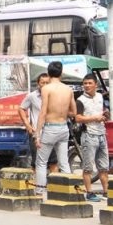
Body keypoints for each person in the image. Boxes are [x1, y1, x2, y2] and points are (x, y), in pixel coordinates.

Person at [34, 61, 76, 195]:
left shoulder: (47, 89)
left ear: (49, 72)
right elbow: (74, 112)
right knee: (64, 163)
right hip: (63, 128)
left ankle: (40, 191)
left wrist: (37, 133)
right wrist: (62, 113)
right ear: (61, 73)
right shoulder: (68, 89)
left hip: (50, 128)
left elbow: (43, 112)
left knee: (41, 162)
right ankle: (69, 192)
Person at [75, 74, 110, 202]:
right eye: (85, 83)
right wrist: (95, 118)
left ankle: (106, 192)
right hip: (89, 135)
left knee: (104, 167)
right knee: (88, 167)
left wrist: (106, 115)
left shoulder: (100, 97)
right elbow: (78, 118)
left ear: (96, 84)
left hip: (102, 134)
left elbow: (103, 111)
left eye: (90, 83)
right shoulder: (80, 100)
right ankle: (89, 192)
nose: (87, 86)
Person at [18, 73, 57, 172]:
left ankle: (55, 186)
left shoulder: (55, 96)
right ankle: (37, 186)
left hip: (52, 132)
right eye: (42, 82)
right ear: (38, 83)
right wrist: (28, 125)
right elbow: (21, 109)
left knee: (53, 162)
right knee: (36, 163)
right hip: (37, 134)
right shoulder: (32, 96)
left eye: (47, 83)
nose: (44, 85)